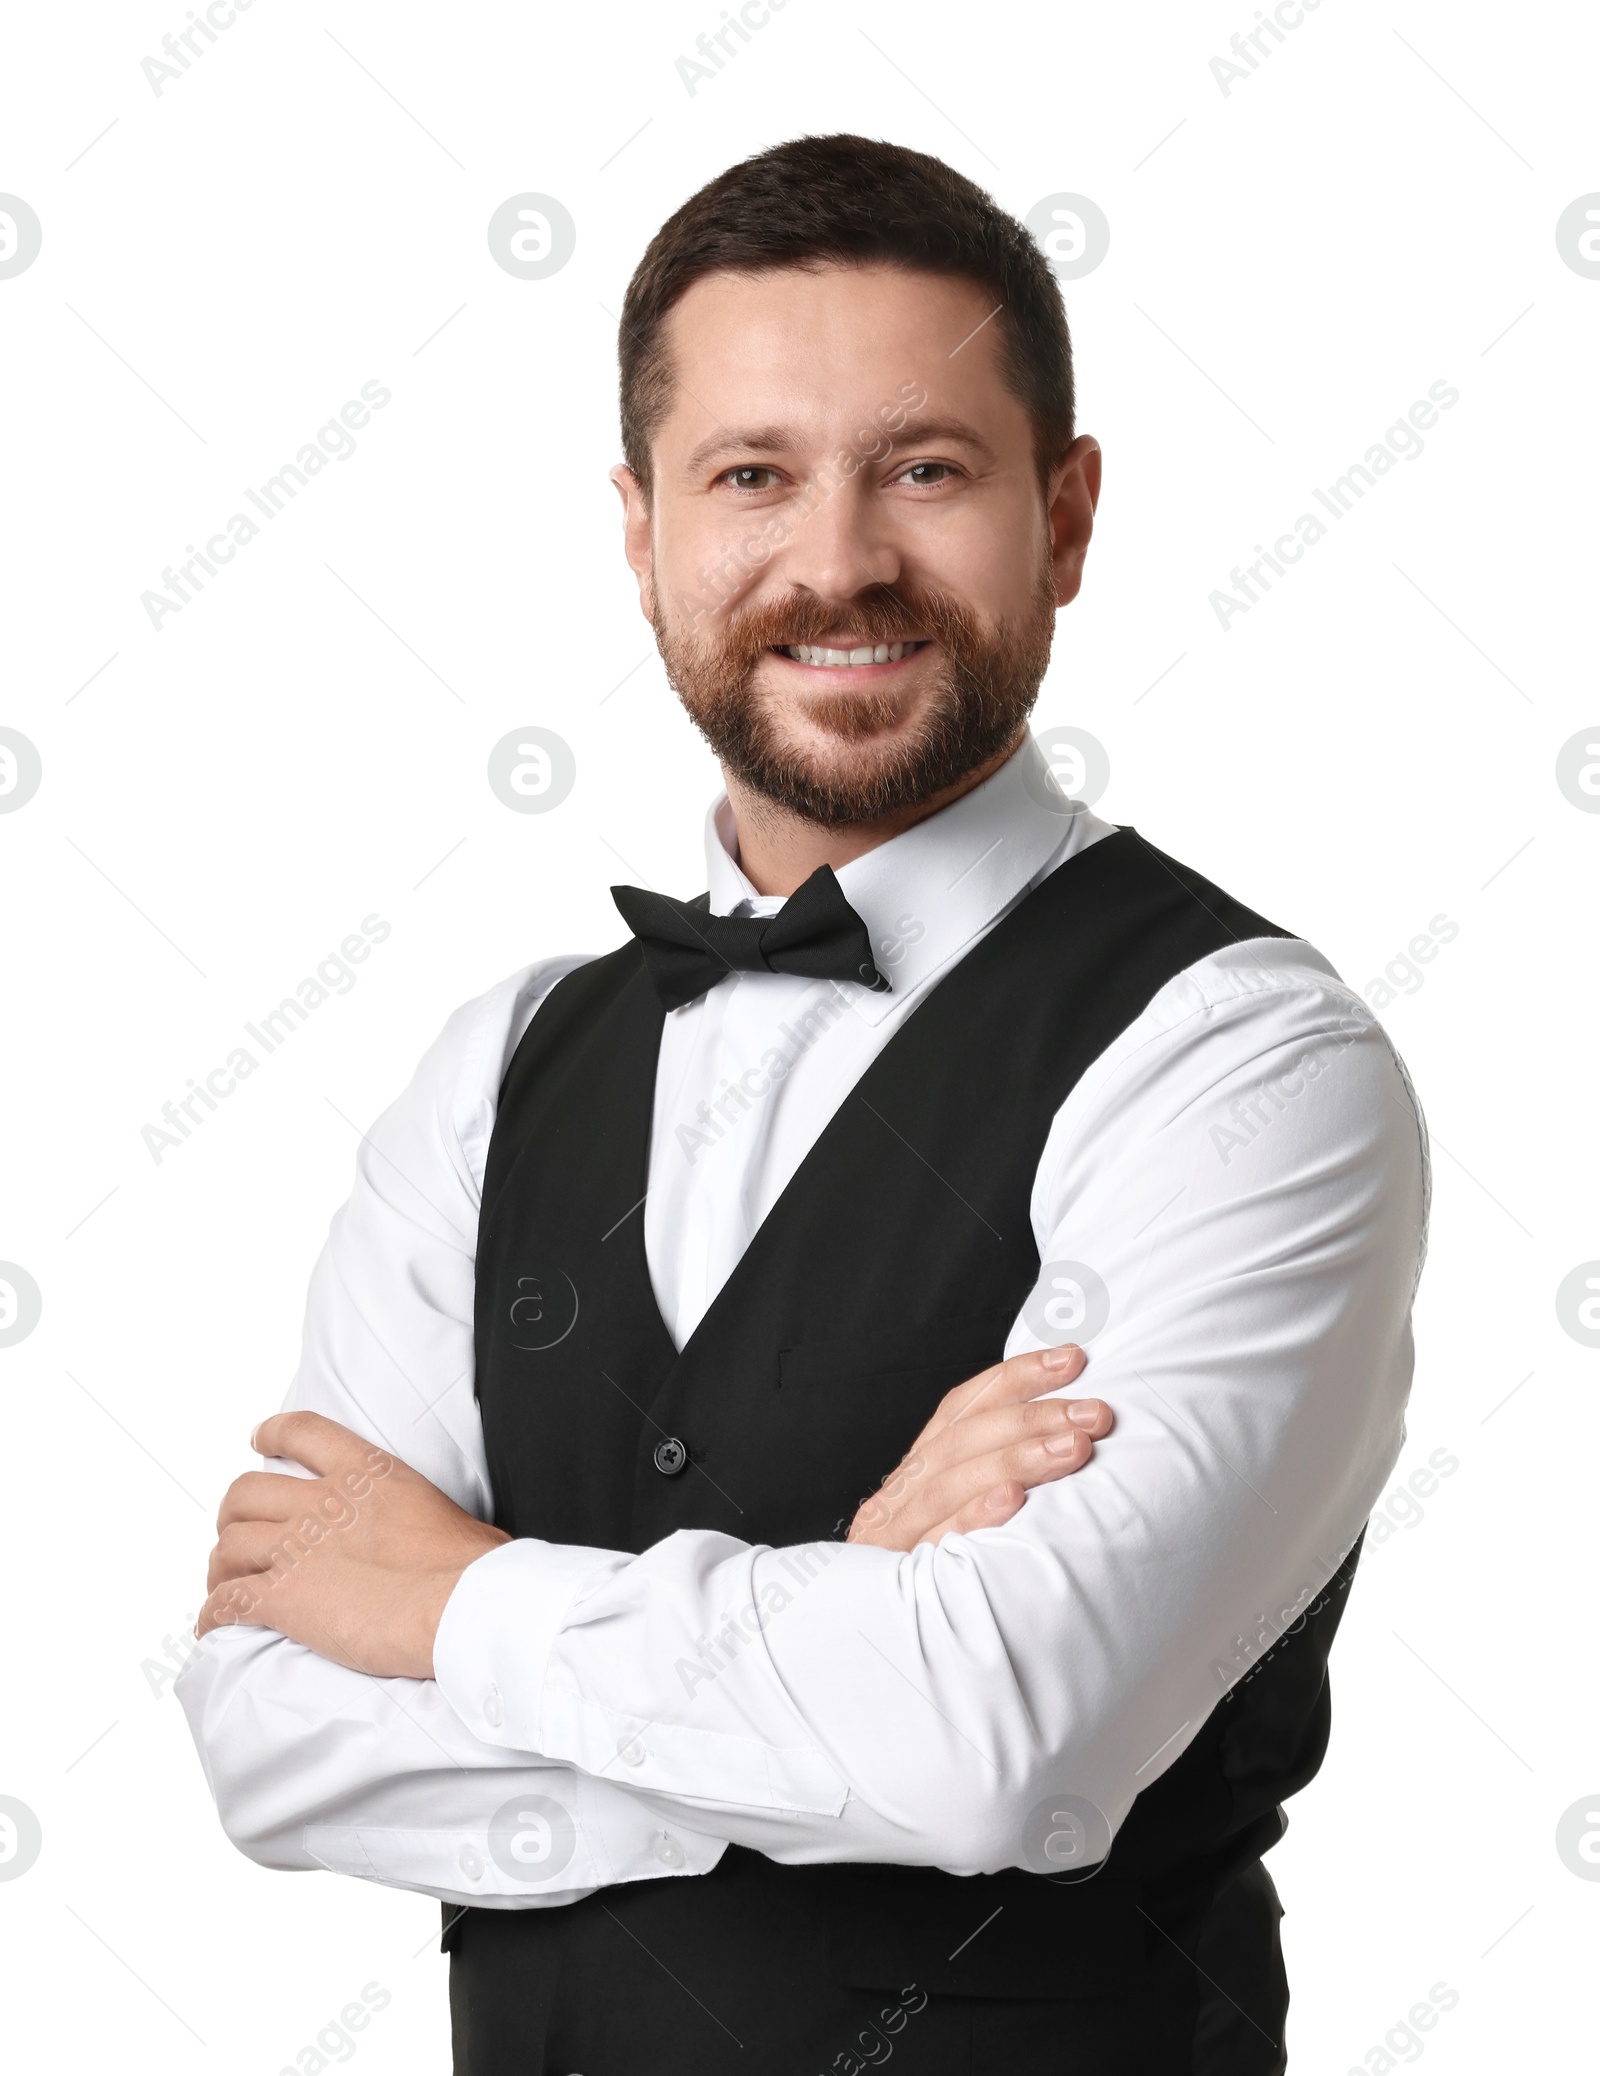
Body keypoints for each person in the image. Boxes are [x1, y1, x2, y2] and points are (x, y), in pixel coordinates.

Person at [178, 134, 1428, 2075]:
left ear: (1065, 514)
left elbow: (998, 1744)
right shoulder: (492, 1072)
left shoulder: (1240, 1062)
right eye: (751, 475)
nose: (834, 560)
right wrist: (847, 1622)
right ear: (640, 526)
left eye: (921, 470)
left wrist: (449, 1604)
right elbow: (273, 1733)